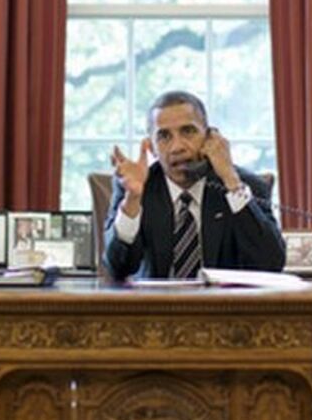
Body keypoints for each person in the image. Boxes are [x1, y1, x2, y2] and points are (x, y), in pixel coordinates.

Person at [103, 90, 286, 280]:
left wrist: (231, 181)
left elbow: (270, 264)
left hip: (225, 307)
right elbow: (118, 268)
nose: (177, 147)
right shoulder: (136, 189)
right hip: (156, 307)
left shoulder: (244, 185)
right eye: (164, 136)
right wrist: (132, 199)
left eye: (188, 131)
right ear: (152, 148)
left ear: (210, 138)